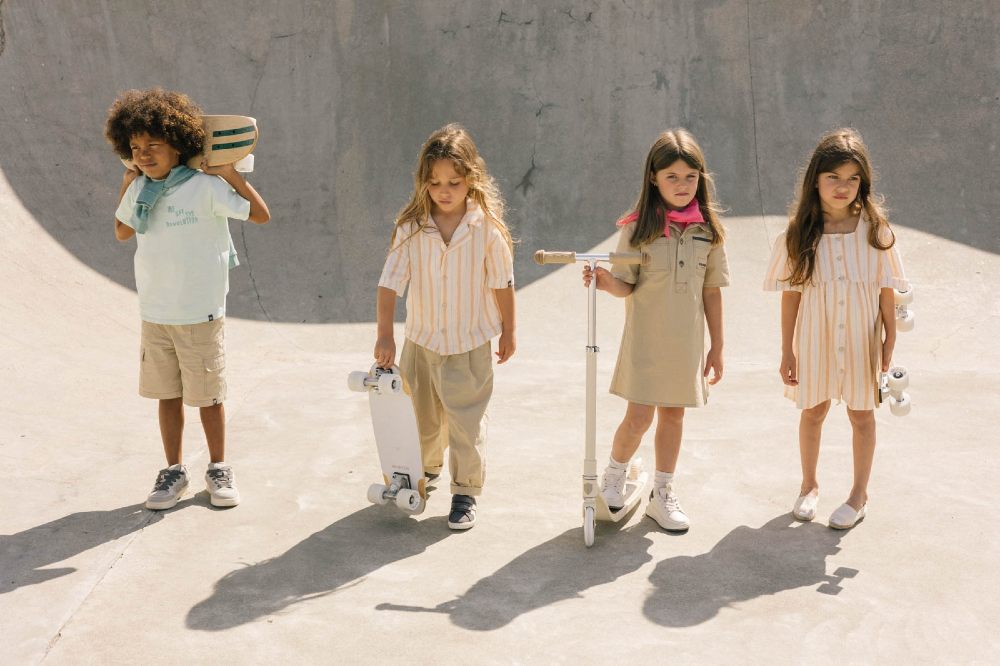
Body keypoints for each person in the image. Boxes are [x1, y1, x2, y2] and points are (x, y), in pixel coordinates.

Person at [105, 88, 270, 510]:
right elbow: (123, 231)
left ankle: (218, 467)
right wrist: (127, 186)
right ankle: (173, 471)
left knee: (209, 397)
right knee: (168, 395)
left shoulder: (204, 187)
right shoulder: (140, 188)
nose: (143, 154)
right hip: (156, 311)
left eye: (153, 145)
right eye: (136, 147)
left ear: (178, 145)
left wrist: (231, 174)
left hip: (200, 311)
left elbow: (260, 215)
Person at [583, 129, 729, 532]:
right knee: (638, 417)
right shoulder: (637, 228)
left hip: (686, 345)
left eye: (690, 177)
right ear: (653, 178)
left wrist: (717, 347)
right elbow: (625, 283)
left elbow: (712, 291)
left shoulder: (709, 232)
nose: (682, 186)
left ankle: (662, 494)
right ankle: (614, 476)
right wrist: (602, 280)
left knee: (673, 417)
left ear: (701, 178)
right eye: (672, 177)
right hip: (646, 341)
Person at [763, 128, 908, 529]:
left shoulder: (876, 232)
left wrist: (889, 337)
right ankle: (809, 485)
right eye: (833, 177)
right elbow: (790, 294)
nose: (843, 187)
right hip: (815, 335)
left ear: (863, 182)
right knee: (813, 410)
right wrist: (786, 350)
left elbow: (886, 290)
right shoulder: (798, 235)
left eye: (852, 178)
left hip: (863, 337)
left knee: (863, 415)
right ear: (815, 180)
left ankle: (859, 495)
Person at [375, 123, 516, 530]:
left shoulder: (486, 230)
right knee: (423, 418)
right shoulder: (412, 228)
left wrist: (509, 330)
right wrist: (385, 333)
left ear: (471, 179)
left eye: (454, 182)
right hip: (421, 342)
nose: (444, 190)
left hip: (469, 344)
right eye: (435, 182)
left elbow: (503, 284)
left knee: (466, 424)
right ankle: (428, 468)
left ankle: (466, 490)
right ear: (424, 182)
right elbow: (389, 283)